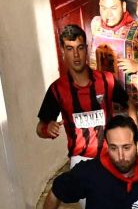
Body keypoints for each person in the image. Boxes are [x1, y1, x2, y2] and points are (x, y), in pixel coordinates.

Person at [36, 25, 131, 169]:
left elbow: (129, 105)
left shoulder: (106, 80)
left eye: (80, 48)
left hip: (111, 156)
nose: (76, 55)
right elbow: (40, 128)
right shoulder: (57, 89)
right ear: (62, 52)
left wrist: (134, 141)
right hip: (79, 161)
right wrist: (47, 129)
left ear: (86, 49)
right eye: (69, 49)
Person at [87, 0, 138, 157]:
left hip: (134, 103)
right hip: (105, 103)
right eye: (103, 8)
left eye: (113, 8)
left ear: (124, 7)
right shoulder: (96, 25)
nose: (108, 14)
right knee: (109, 149)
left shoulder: (137, 32)